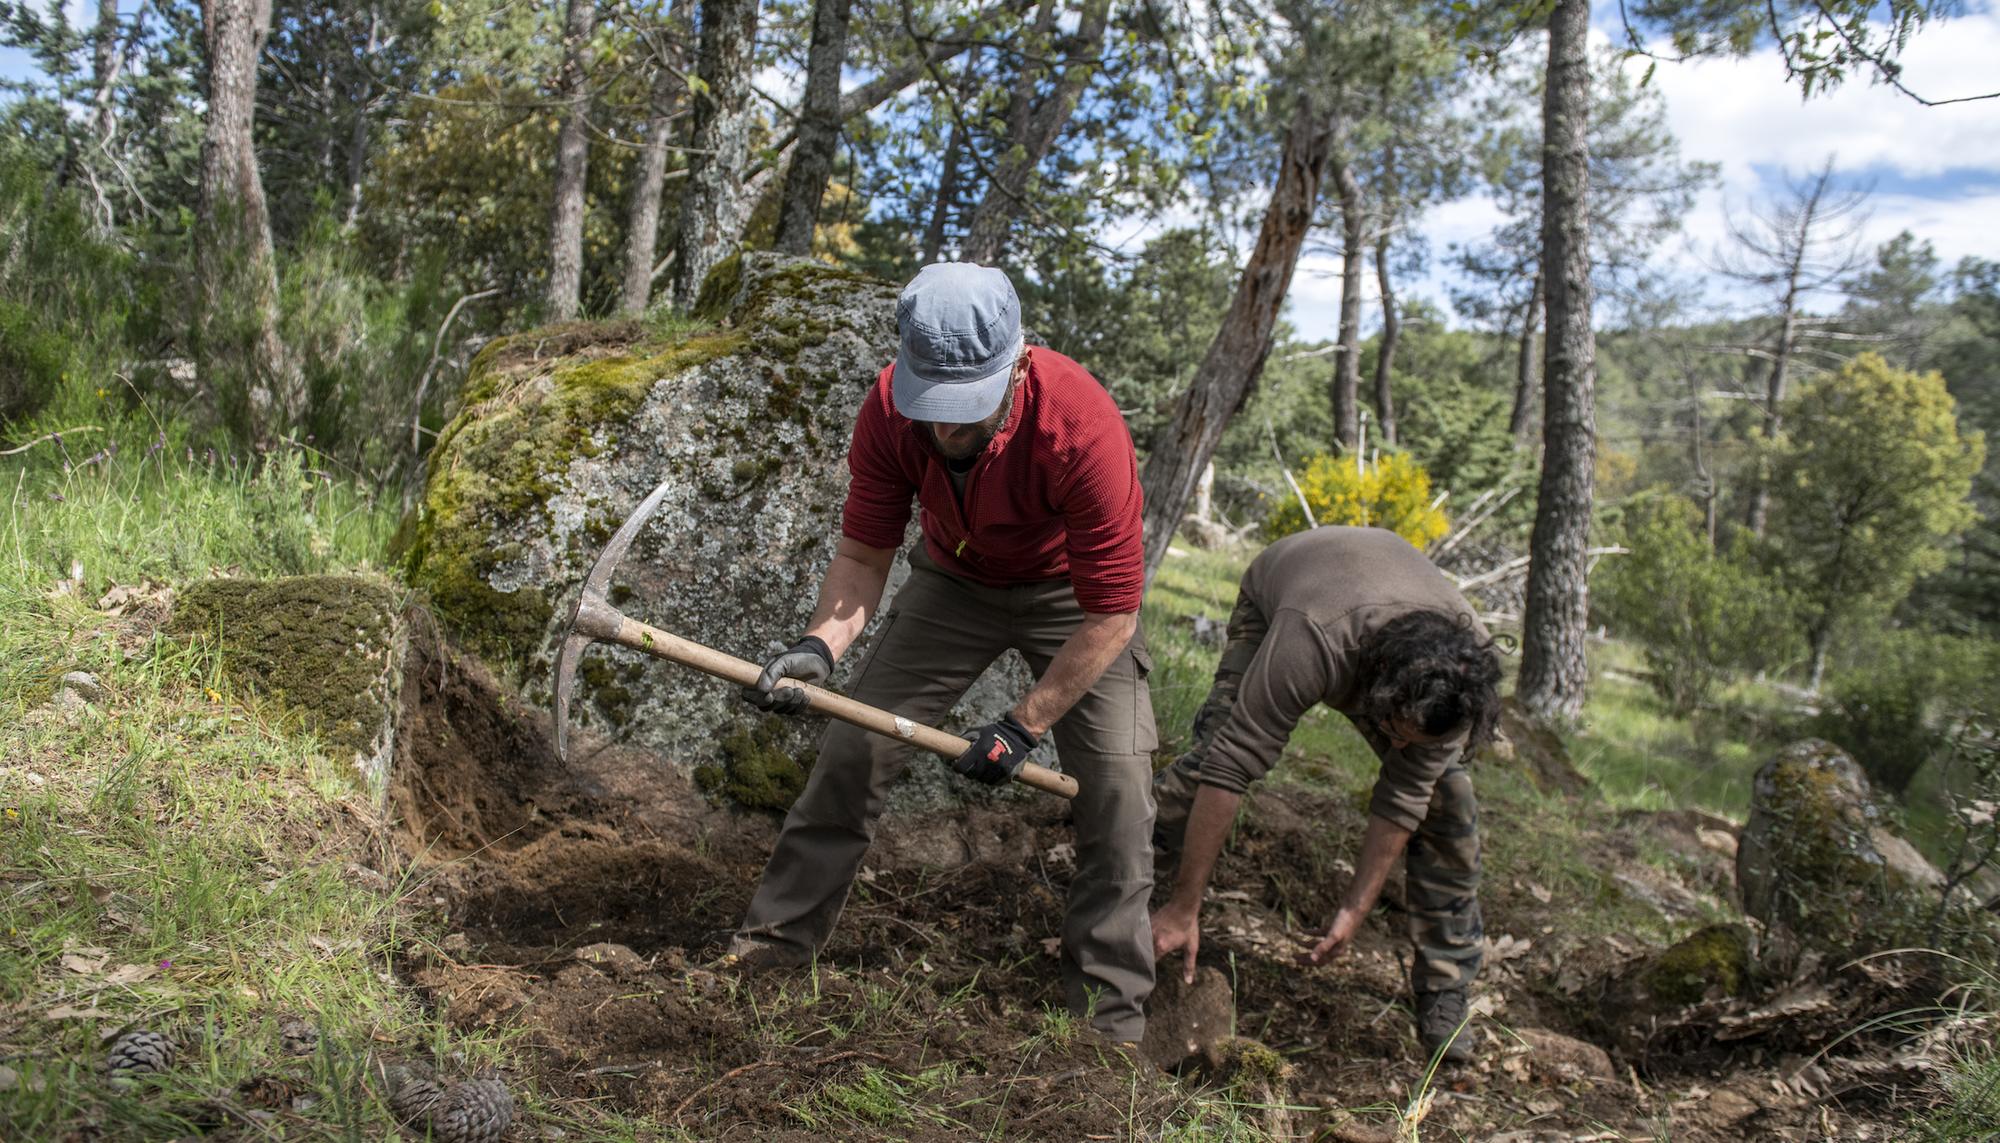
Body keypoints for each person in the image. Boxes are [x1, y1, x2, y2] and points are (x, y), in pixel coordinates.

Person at [726, 261, 1159, 1044]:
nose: (949, 432)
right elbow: (863, 557)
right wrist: (819, 647)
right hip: (955, 580)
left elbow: (1112, 615)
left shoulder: (1083, 427)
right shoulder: (889, 409)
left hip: (1074, 601)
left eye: (968, 410)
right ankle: (772, 950)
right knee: (853, 745)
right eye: (936, 409)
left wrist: (1024, 724)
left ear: (1019, 364)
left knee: (1120, 791)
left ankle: (1108, 1026)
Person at [1149, 526, 1502, 1063]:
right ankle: (1131, 877)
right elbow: (1231, 769)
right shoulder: (1314, 638)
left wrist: (1354, 910)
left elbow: (1406, 793)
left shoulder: (1463, 681)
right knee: (1208, 763)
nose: (1399, 746)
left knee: (1448, 803)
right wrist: (1185, 906)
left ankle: (1446, 985)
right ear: (1377, 694)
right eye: (1396, 730)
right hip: (1291, 593)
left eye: (1415, 740)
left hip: (1388, 620)